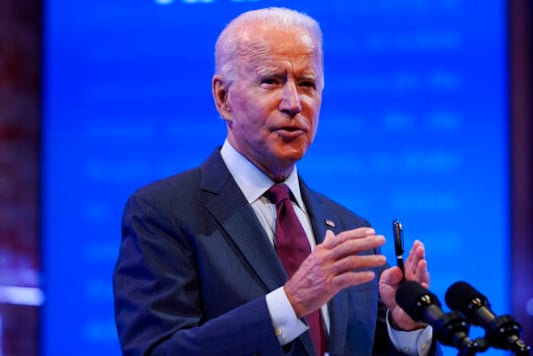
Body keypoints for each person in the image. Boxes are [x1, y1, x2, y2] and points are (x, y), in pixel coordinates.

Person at [113, 7, 440, 356]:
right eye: (271, 80)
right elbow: (156, 351)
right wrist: (291, 303)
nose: (294, 103)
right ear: (223, 98)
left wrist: (404, 329)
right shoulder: (163, 212)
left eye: (307, 84)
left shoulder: (349, 229)